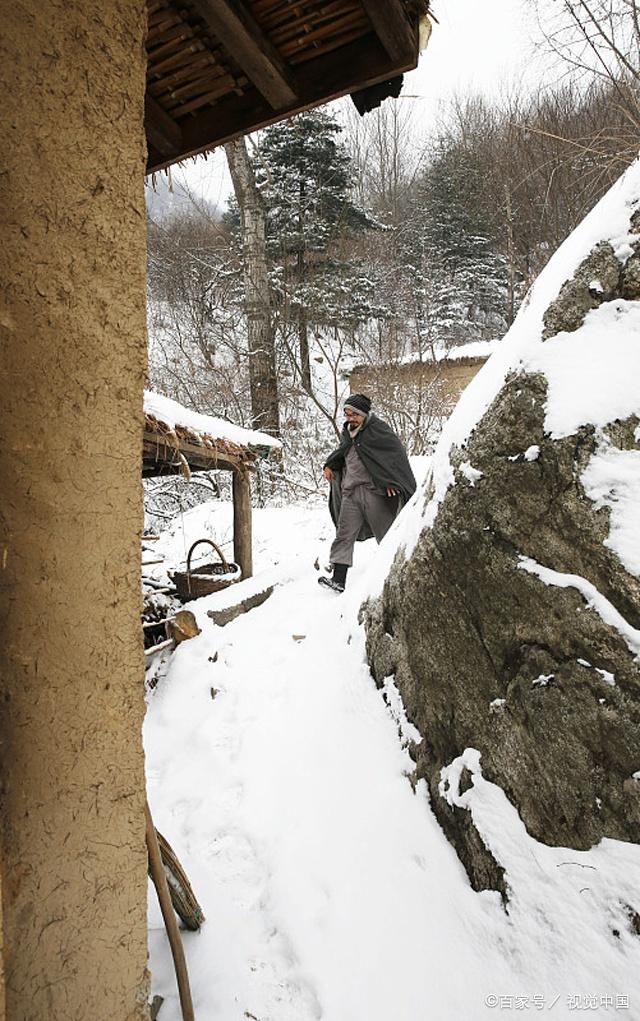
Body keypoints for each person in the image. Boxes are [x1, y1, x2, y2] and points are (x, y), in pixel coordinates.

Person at [319, 394, 417, 592]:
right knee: (344, 534)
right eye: (347, 414)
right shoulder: (348, 432)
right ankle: (338, 580)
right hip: (350, 492)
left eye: (354, 414)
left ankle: (398, 574)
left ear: (363, 414)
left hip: (374, 492)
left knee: (387, 535)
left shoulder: (378, 430)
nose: (350, 418)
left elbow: (393, 456)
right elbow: (343, 452)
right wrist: (330, 464)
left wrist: (391, 481)